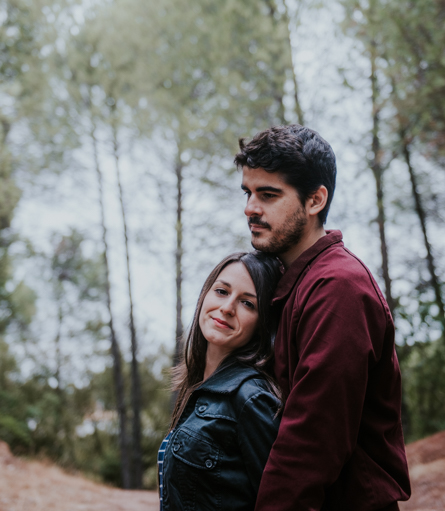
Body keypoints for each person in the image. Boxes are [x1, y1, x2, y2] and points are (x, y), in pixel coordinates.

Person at [235, 124, 411, 511]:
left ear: (315, 200)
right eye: (248, 193)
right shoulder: (292, 282)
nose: (250, 208)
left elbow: (313, 440)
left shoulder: (338, 288)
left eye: (268, 194)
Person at [158, 251, 283, 511]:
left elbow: (281, 501)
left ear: (263, 323)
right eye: (222, 291)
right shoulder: (200, 387)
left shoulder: (251, 399)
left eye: (248, 303)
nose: (227, 308)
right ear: (205, 293)